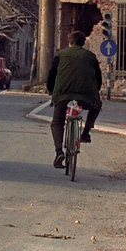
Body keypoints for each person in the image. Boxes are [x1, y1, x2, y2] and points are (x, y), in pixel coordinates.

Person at [46, 30, 102, 168]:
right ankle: (86, 133)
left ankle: (59, 152)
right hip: (86, 95)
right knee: (97, 105)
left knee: (57, 122)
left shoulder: (60, 55)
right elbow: (98, 78)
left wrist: (51, 91)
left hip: (62, 94)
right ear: (83, 43)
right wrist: (95, 93)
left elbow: (52, 75)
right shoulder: (91, 56)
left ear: (69, 42)